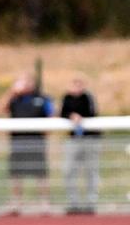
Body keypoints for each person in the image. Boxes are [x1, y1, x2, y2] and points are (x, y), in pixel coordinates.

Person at [6, 74, 53, 214]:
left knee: (41, 174)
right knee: (16, 174)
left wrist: (46, 132)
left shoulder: (43, 98)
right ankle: (16, 204)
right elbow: (1, 109)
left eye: (27, 82)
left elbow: (52, 114)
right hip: (17, 141)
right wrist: (11, 92)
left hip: (36, 141)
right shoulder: (14, 98)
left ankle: (44, 204)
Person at [61, 76, 100, 215]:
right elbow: (62, 113)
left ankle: (91, 203)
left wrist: (78, 116)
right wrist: (71, 115)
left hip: (90, 139)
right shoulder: (66, 98)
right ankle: (73, 203)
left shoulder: (87, 98)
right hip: (73, 139)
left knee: (91, 171)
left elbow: (91, 112)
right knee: (69, 171)